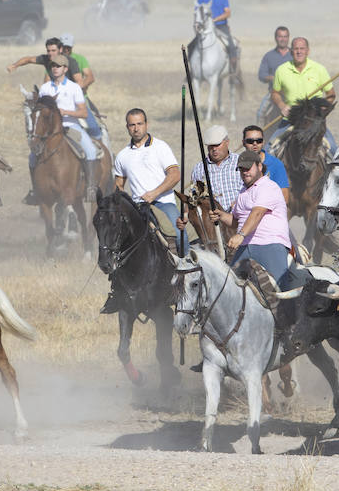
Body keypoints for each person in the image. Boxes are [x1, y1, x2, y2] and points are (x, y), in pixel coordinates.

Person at [103, 108, 183, 316]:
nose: (136, 128)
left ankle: (185, 281)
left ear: (146, 124)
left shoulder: (161, 147)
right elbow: (118, 185)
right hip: (137, 208)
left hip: (163, 203)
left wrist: (155, 193)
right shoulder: (122, 156)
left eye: (139, 124)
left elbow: (175, 175)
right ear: (127, 127)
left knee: (180, 234)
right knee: (116, 242)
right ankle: (117, 291)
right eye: (132, 124)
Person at [211, 148, 294, 288]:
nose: (245, 172)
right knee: (228, 285)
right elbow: (237, 221)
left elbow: (257, 213)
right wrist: (222, 216)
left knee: (280, 289)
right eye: (242, 169)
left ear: (259, 166)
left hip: (269, 243)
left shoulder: (268, 186)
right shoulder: (243, 192)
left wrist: (241, 235)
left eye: (248, 168)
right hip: (245, 246)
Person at [37, 54, 100, 198]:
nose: (55, 68)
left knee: (90, 150)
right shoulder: (45, 88)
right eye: (53, 66)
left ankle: (90, 187)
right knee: (32, 157)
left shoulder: (74, 88)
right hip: (49, 130)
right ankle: (35, 190)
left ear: (65, 69)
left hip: (71, 125)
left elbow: (84, 113)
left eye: (58, 66)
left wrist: (65, 112)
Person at [269, 37, 338, 151]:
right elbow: (275, 93)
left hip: (314, 121)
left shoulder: (319, 69)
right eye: (296, 49)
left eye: (302, 48)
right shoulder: (281, 70)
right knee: (269, 150)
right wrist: (282, 106)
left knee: (333, 149)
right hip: (290, 119)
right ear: (291, 51)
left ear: (308, 51)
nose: (299, 51)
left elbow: (331, 95)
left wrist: (321, 110)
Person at [185, 124, 244, 216]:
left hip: (240, 217)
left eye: (217, 145)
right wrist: (185, 214)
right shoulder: (199, 168)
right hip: (213, 222)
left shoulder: (241, 162)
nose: (214, 149)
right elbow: (194, 196)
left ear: (227, 142)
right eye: (211, 146)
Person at [196, 0, 239, 73]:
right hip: (206, 28)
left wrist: (215, 20)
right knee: (195, 45)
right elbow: (197, 12)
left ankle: (234, 71)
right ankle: (193, 69)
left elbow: (228, 13)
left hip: (221, 26)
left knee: (231, 44)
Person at [240, 124, 289, 206]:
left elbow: (285, 197)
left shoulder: (276, 164)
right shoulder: (238, 164)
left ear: (263, 142)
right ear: (243, 143)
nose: (255, 144)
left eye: (259, 141)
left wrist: (261, 208)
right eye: (250, 141)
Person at [8, 37, 83, 86]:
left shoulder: (70, 61)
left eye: (53, 50)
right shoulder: (46, 59)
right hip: (55, 93)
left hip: (73, 96)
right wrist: (15, 65)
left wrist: (69, 93)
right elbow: (28, 59)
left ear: (60, 49)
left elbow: (79, 82)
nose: (50, 53)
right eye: (48, 51)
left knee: (86, 111)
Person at [257, 26, 293, 123]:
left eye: (285, 36)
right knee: (260, 113)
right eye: (280, 36)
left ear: (288, 38)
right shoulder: (269, 56)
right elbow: (261, 75)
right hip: (273, 93)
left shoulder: (294, 55)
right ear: (275, 38)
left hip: (293, 93)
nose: (283, 39)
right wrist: (273, 78)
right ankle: (260, 136)